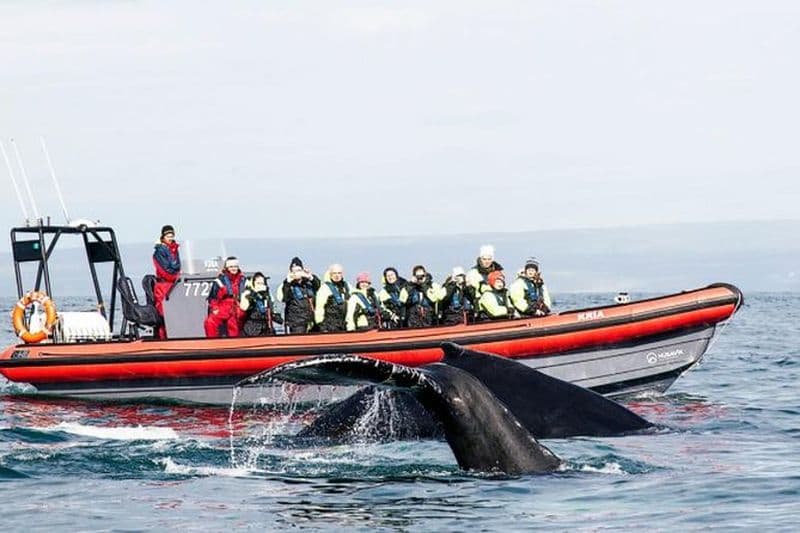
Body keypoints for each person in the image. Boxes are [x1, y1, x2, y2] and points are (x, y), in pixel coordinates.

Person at [204, 257, 246, 338]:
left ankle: (235, 344)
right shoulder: (220, 280)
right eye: (231, 267)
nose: (233, 268)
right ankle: (212, 342)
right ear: (227, 267)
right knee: (210, 322)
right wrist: (215, 309)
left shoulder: (243, 280)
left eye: (235, 266)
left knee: (235, 328)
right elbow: (213, 297)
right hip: (223, 307)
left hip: (238, 307)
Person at [277, 257, 320, 334]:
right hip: (296, 322)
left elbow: (318, 286)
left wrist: (310, 277)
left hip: (311, 320)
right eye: (294, 271)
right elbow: (284, 298)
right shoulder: (287, 285)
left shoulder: (308, 282)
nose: (297, 273)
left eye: (299, 270)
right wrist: (288, 283)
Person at [152, 224, 181, 338]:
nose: (170, 238)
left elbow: (178, 266)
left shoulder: (174, 250)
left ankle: (174, 336)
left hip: (174, 286)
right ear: (163, 237)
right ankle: (163, 339)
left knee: (174, 314)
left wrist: (178, 276)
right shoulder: (159, 252)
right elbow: (164, 271)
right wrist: (176, 276)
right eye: (168, 236)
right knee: (164, 314)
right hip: (163, 287)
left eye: (172, 235)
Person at [240, 272, 283, 337]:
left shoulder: (267, 296)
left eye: (262, 283)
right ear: (253, 283)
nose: (260, 285)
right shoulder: (248, 294)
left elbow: (273, 311)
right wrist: (254, 293)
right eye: (258, 283)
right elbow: (244, 307)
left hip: (266, 328)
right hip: (252, 329)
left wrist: (276, 317)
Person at [314, 263, 351, 332]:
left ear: (342, 274)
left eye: (339, 273)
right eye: (334, 273)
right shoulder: (325, 288)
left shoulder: (347, 287)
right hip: (330, 325)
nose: (337, 275)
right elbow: (319, 308)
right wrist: (321, 325)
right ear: (330, 274)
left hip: (344, 325)